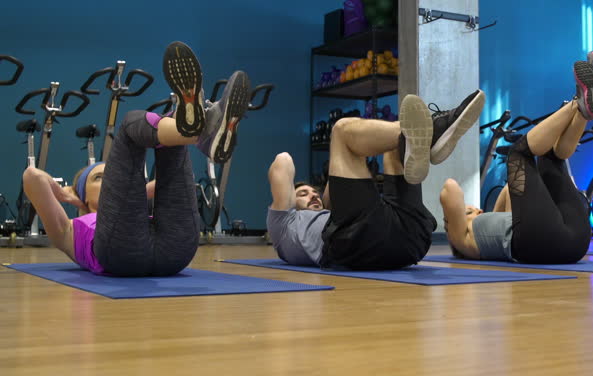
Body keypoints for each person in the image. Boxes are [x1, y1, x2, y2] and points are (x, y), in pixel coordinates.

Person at [22, 41, 250, 276]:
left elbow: (158, 186)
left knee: (170, 136)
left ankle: (196, 129)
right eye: (100, 178)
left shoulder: (136, 196)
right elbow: (32, 176)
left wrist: (145, 187)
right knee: (131, 124)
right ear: (81, 196)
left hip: (176, 252)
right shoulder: (68, 230)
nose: (112, 179)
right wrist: (63, 193)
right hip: (121, 253)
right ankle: (201, 132)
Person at [266, 89, 486, 270]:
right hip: (357, 244)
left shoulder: (334, 215)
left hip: (411, 240)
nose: (312, 195)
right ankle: (434, 130)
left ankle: (420, 134)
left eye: (314, 192)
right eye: (302, 194)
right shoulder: (283, 225)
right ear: (288, 204)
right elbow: (283, 161)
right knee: (341, 130)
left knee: (394, 146)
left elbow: (338, 186)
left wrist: (329, 189)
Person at [441, 51, 593, 264]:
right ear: (452, 225)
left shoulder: (507, 224)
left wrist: (490, 207)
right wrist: (452, 220)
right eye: (469, 211)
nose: (477, 209)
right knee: (518, 154)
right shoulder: (463, 239)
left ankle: (585, 112)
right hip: (540, 243)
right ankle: (577, 104)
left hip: (574, 242)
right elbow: (450, 188)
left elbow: (512, 193)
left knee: (551, 156)